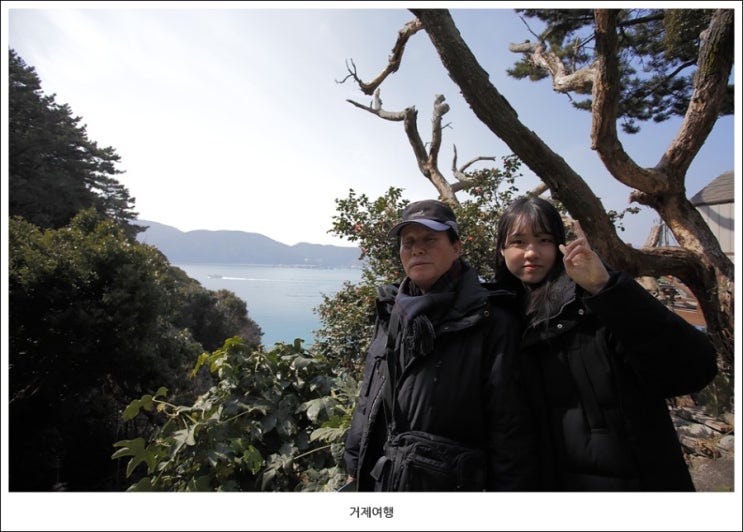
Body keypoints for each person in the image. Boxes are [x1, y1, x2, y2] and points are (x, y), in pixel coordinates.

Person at [494, 195, 718, 491]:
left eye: (544, 240)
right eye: (518, 242)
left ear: (560, 244)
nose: (531, 252)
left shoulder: (595, 298)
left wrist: (606, 289)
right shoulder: (504, 316)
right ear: (502, 249)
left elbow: (694, 370)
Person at [343, 199, 536, 491]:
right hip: (387, 480)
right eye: (408, 242)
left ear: (456, 248)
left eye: (430, 240)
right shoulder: (392, 312)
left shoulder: (489, 319)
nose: (417, 249)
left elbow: (509, 428)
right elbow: (369, 400)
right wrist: (354, 466)